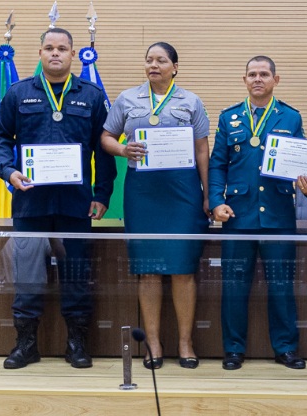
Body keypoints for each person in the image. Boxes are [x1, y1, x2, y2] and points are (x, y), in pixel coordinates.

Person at [0, 27, 116, 369]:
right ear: (41, 53)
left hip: (76, 205)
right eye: (49, 48)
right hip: (31, 203)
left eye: (62, 48)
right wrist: (8, 170)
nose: (55, 53)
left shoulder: (90, 95)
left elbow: (104, 151)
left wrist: (103, 193)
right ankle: (26, 344)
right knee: (28, 274)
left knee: (76, 274)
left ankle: (76, 344)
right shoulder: (18, 93)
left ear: (73, 55)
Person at [101, 42, 209, 370]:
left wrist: (207, 194)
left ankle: (186, 343)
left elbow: (202, 149)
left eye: (161, 60)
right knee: (147, 269)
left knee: (183, 269)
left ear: (175, 67)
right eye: (149, 60)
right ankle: (153, 343)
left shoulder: (191, 101)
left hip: (183, 193)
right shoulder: (127, 99)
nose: (154, 65)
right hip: (143, 193)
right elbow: (106, 137)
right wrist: (122, 151)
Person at [209, 55, 307, 371]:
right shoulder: (229, 119)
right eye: (252, 74)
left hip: (278, 215)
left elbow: (302, 163)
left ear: (275, 80)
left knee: (281, 285)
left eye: (264, 74)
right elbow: (217, 164)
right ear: (245, 80)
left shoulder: (290, 117)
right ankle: (233, 349)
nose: (258, 79)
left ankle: (285, 349)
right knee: (234, 285)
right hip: (238, 215)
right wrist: (215, 202)